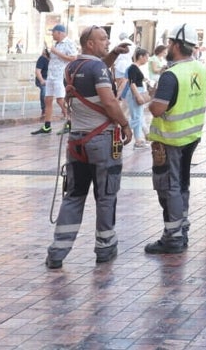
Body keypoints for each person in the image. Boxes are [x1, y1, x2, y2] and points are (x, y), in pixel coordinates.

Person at [44, 25, 132, 270]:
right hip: (101, 140)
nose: (107, 42)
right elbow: (109, 101)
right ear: (90, 43)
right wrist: (125, 124)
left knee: (74, 196)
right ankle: (105, 247)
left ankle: (57, 252)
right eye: (103, 39)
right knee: (106, 196)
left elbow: (95, 67)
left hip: (76, 142)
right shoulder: (98, 69)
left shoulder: (72, 68)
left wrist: (112, 54)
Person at [145, 22, 206, 255]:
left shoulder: (171, 75)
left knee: (170, 187)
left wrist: (154, 97)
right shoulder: (200, 69)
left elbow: (157, 109)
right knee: (182, 184)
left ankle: (172, 237)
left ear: (177, 45)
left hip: (171, 140)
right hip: (191, 136)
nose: (168, 46)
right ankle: (182, 230)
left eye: (170, 42)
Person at [33, 24, 77, 135]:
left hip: (60, 75)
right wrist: (48, 55)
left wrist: (56, 52)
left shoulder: (69, 43)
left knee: (60, 100)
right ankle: (47, 125)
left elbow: (73, 58)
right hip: (51, 75)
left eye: (53, 32)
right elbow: (55, 59)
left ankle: (70, 122)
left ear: (59, 33)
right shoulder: (56, 44)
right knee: (47, 99)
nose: (52, 34)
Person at [121, 47, 151, 148]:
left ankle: (140, 138)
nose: (147, 59)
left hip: (137, 92)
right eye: (146, 57)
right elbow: (132, 83)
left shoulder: (135, 68)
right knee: (137, 117)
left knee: (138, 116)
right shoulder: (133, 68)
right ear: (141, 57)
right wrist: (137, 95)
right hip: (135, 92)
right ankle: (135, 137)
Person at [33, 44, 49, 118]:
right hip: (42, 79)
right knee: (44, 91)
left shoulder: (53, 60)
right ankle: (44, 109)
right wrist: (42, 80)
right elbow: (37, 71)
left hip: (51, 79)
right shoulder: (42, 59)